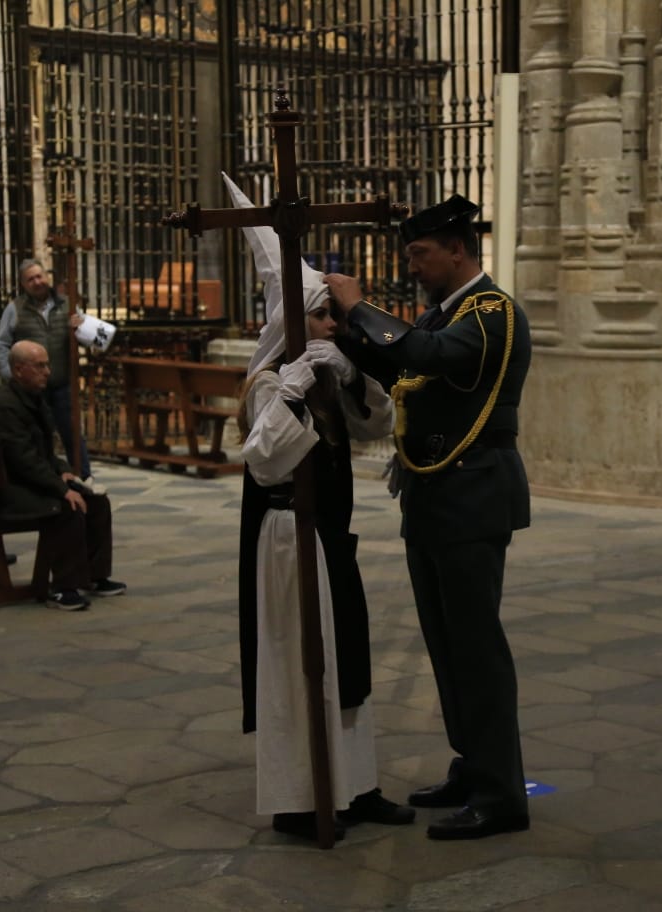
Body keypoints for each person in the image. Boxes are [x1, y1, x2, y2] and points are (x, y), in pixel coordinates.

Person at [324, 194, 533, 839]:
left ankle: (502, 796)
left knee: (477, 650)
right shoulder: (445, 314)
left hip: (473, 497)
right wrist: (341, 338)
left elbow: (433, 356)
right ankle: (473, 767)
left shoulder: (491, 312)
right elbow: (401, 361)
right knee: (447, 648)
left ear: (457, 251)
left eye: (419, 254)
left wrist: (359, 305)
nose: (411, 265)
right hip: (436, 498)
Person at [227, 175, 413, 841]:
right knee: (301, 662)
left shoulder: (328, 373)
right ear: (290, 324)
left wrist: (355, 372)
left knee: (346, 660)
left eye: (333, 315)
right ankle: (304, 795)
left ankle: (356, 786)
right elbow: (264, 457)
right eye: (322, 315)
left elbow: (373, 427)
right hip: (287, 538)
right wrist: (296, 392)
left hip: (329, 534)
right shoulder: (269, 381)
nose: (335, 324)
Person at [0, 340, 124, 611]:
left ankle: (94, 576)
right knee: (67, 506)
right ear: (19, 369)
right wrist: (60, 488)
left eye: (47, 365)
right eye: (40, 366)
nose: (47, 371)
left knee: (95, 502)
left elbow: (44, 453)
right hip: (10, 489)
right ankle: (63, 588)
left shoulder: (34, 398)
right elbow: (22, 460)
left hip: (31, 481)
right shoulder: (4, 406)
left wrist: (64, 472)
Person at [0, 259, 91, 480]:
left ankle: (84, 478)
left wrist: (81, 329)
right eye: (31, 279)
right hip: (32, 390)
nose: (37, 282)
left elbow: (88, 342)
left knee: (72, 434)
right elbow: (1, 346)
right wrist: (13, 376)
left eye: (40, 276)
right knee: (37, 437)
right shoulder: (15, 308)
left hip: (62, 384)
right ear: (23, 284)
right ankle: (47, 480)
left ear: (47, 277)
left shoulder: (68, 304)